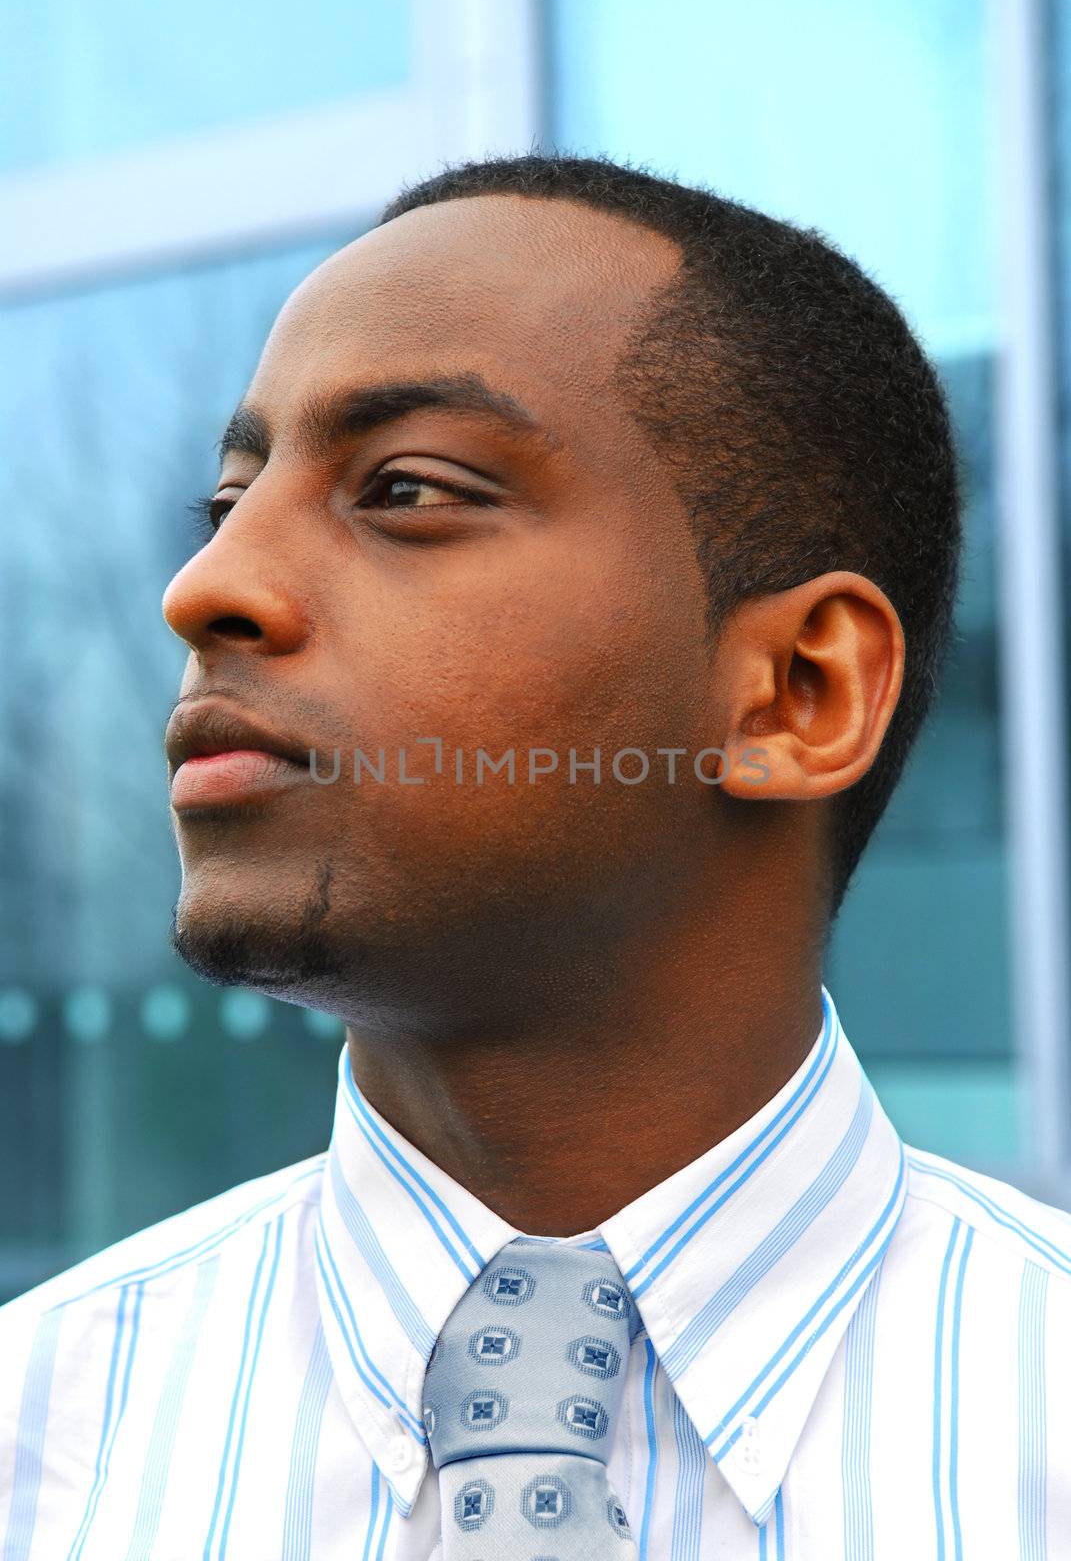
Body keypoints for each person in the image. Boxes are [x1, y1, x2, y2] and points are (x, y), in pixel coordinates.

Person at [2, 150, 1068, 1560]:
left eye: (406, 490)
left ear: (797, 692)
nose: (206, 586)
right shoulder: (37, 1447)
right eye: (227, 503)